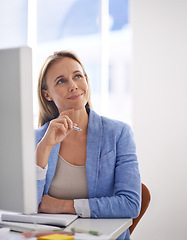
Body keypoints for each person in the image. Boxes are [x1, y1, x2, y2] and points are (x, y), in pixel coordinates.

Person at [35, 50, 141, 240]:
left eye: (78, 76)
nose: (74, 86)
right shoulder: (36, 139)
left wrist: (64, 206)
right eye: (61, 81)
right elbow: (27, 207)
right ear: (47, 94)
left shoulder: (118, 133)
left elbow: (130, 203)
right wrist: (43, 149)